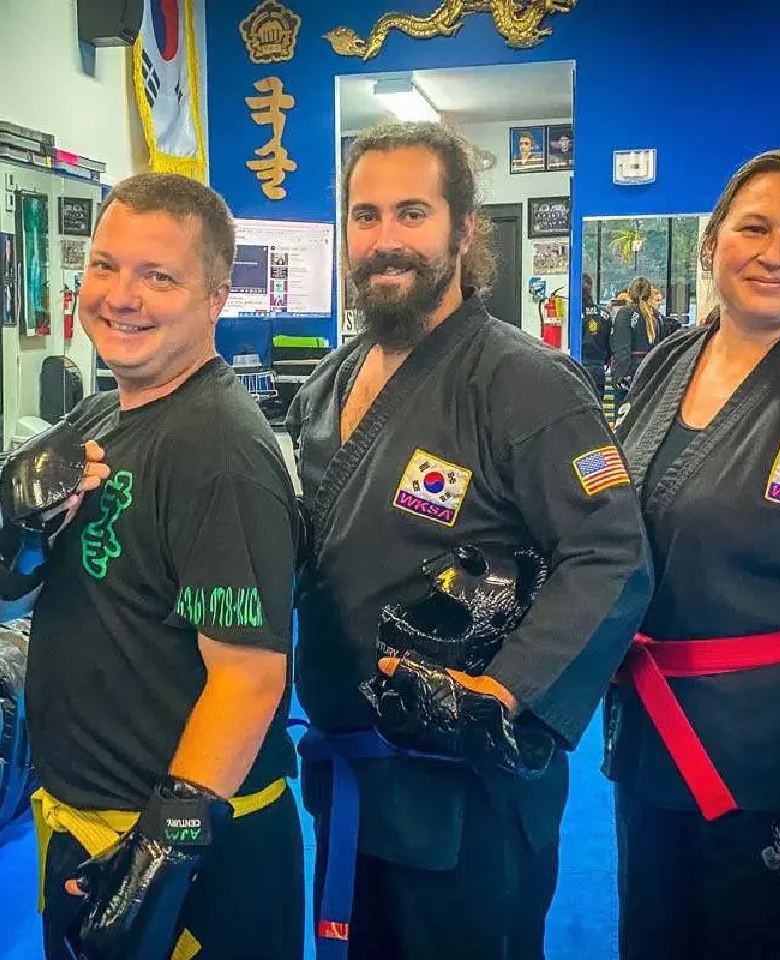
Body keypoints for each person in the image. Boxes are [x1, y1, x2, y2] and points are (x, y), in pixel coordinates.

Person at [286, 120, 652, 960]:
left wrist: (500, 695)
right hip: (350, 777)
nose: (385, 241)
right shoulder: (327, 384)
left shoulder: (523, 381)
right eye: (365, 215)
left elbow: (610, 554)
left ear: (461, 228)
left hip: (467, 791)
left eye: (412, 213)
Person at [21, 173, 304, 959]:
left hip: (191, 849)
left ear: (215, 297)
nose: (121, 295)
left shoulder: (217, 451)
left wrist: (162, 853)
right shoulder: (103, 412)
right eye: (106, 266)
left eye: (158, 276)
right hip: (86, 822)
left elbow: (248, 678)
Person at [608, 148, 780, 959]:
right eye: (755, 227)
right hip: (650, 735)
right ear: (712, 245)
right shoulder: (667, 361)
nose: (776, 252)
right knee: (654, 934)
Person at [610, 276, 661, 412]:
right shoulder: (656, 316)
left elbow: (622, 348)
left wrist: (621, 376)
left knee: (623, 424)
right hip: (651, 374)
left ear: (630, 293)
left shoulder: (626, 314)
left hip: (630, 374)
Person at [581, 272, 612, 399]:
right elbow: (610, 342)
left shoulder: (574, 315)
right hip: (598, 367)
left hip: (579, 365)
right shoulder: (604, 314)